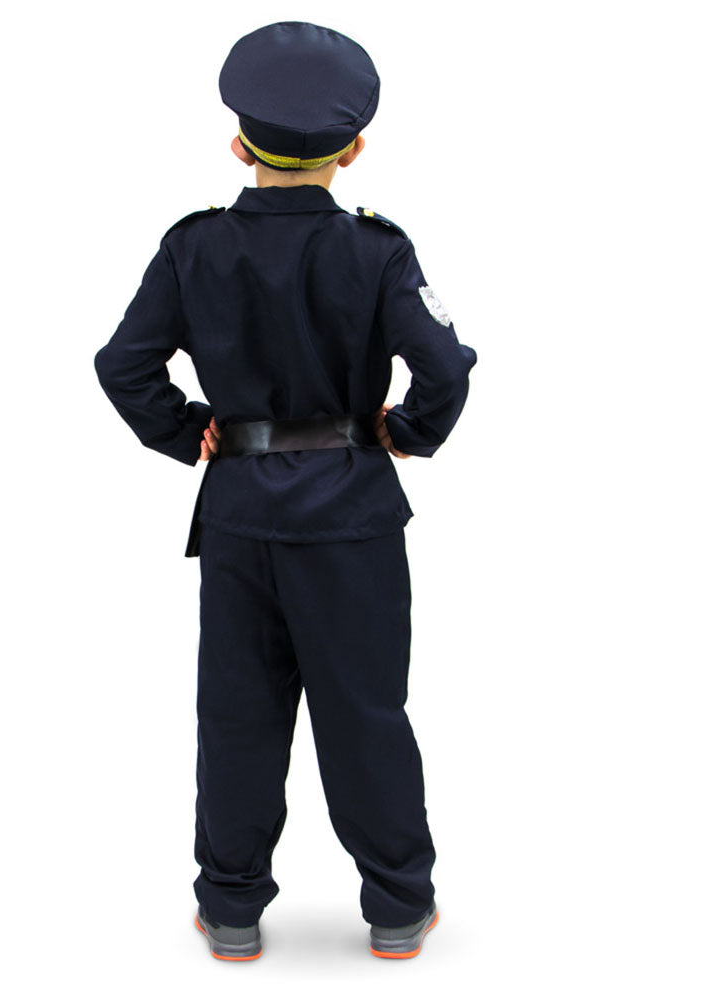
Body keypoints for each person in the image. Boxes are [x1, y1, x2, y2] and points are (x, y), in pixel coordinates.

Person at [93, 20, 477, 962]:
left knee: (237, 716)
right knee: (367, 715)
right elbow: (446, 367)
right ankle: (398, 907)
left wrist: (186, 431)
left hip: (239, 515)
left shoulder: (192, 248)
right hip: (353, 516)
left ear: (239, 145)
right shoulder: (380, 252)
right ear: (353, 151)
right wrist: (408, 432)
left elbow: (122, 364)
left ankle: (230, 910)